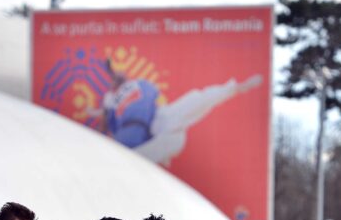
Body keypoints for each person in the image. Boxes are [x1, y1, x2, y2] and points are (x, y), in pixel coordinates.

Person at [93, 59, 263, 166]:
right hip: (133, 139)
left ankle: (234, 88)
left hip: (154, 122)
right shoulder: (110, 98)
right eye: (114, 77)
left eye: (119, 74)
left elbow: (152, 99)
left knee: (192, 102)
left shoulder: (136, 84)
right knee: (176, 130)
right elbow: (103, 122)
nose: (118, 76)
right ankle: (154, 155)